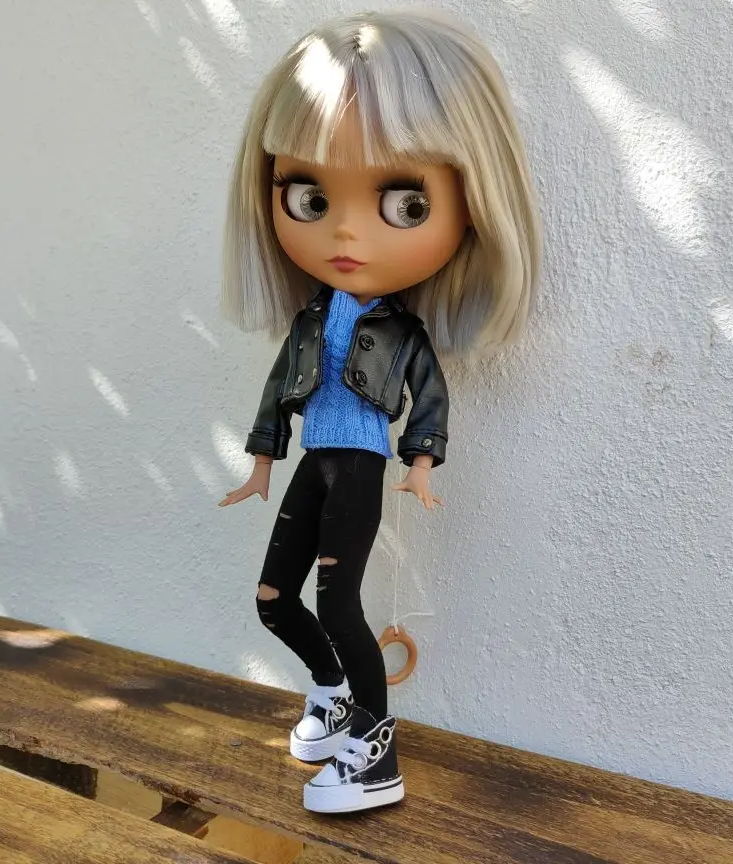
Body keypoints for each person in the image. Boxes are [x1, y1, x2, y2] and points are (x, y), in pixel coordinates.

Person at [219, 9, 541, 814]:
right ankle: (331, 691)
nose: (346, 230)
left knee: (340, 603)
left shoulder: (402, 330)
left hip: (360, 463)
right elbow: (279, 389)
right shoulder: (309, 318)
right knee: (272, 600)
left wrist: (422, 464)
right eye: (309, 195)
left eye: (404, 202)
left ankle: (375, 748)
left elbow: (428, 396)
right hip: (311, 461)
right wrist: (261, 462)